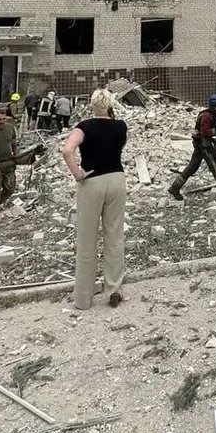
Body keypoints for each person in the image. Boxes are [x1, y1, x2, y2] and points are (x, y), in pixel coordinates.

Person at [62, 89, 127, 310]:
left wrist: (78, 174)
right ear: (111, 105)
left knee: (87, 238)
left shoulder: (84, 127)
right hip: (117, 180)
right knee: (114, 235)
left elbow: (67, 150)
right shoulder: (121, 126)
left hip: (91, 182)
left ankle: (83, 298)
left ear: (92, 105)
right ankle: (114, 289)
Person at [168, 93, 216, 200]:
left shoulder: (211, 114)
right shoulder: (206, 116)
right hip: (204, 146)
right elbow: (205, 132)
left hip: (202, 144)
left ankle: (174, 188)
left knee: (192, 167)